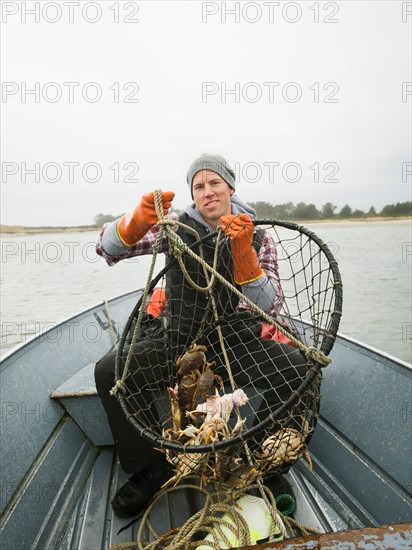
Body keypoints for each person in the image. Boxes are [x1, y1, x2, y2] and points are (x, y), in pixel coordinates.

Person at [95, 154, 307, 518]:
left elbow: (271, 307)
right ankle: (154, 466)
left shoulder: (259, 236)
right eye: (199, 186)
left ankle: (260, 463)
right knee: (109, 371)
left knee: (298, 370)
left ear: (230, 188)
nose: (207, 192)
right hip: (178, 341)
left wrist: (245, 257)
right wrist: (131, 224)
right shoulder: (177, 228)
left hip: (236, 342)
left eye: (215, 183)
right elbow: (108, 250)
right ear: (193, 195)